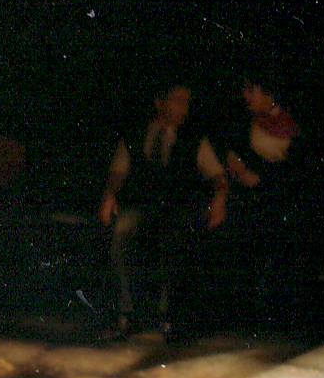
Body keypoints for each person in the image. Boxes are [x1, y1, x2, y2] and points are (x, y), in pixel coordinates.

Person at [99, 83, 229, 339]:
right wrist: (110, 194)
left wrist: (220, 197)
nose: (184, 109)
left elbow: (217, 174)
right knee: (122, 232)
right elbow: (118, 171)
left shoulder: (193, 138)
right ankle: (127, 312)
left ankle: (167, 315)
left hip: (177, 208)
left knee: (176, 237)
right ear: (160, 103)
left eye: (186, 102)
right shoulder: (137, 134)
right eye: (178, 101)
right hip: (142, 206)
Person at [221, 73, 302, 305]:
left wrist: (260, 178)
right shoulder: (244, 121)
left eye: (251, 90)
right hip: (245, 197)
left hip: (276, 200)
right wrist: (238, 167)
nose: (245, 96)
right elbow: (232, 153)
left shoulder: (290, 123)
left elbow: (294, 172)